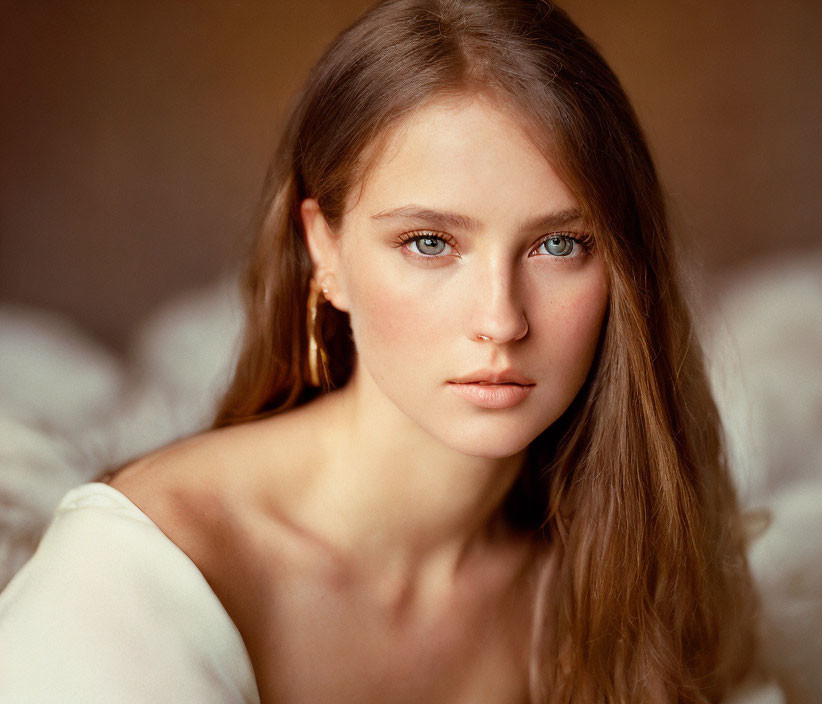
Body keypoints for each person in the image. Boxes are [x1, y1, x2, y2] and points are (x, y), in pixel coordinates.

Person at [0, 0, 769, 701]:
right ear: (323, 251)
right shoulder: (143, 575)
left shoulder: (614, 579)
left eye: (559, 243)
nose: (501, 320)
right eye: (430, 242)